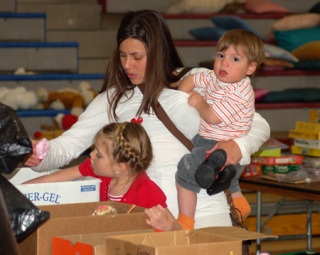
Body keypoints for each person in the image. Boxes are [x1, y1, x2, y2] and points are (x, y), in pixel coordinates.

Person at [24, 10, 270, 230]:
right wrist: (38, 155)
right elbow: (66, 147)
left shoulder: (197, 79)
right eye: (122, 56)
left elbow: (258, 124)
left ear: (157, 51)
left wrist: (238, 146)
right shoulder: (112, 100)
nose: (128, 65)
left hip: (207, 218)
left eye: (137, 56)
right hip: (148, 224)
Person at [175, 29, 265, 230]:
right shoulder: (214, 78)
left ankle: (185, 221)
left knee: (185, 171)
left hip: (222, 148)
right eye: (221, 56)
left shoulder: (240, 92)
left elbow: (213, 117)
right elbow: (192, 80)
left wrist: (198, 102)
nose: (224, 63)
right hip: (209, 140)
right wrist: (179, 97)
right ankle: (239, 201)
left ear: (250, 68)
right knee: (228, 178)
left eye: (235, 59)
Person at [24, 122, 168, 210]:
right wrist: (16, 191)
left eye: (98, 154)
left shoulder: (148, 193)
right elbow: (56, 178)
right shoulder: (96, 169)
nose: (91, 155)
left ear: (120, 167)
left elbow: (171, 230)